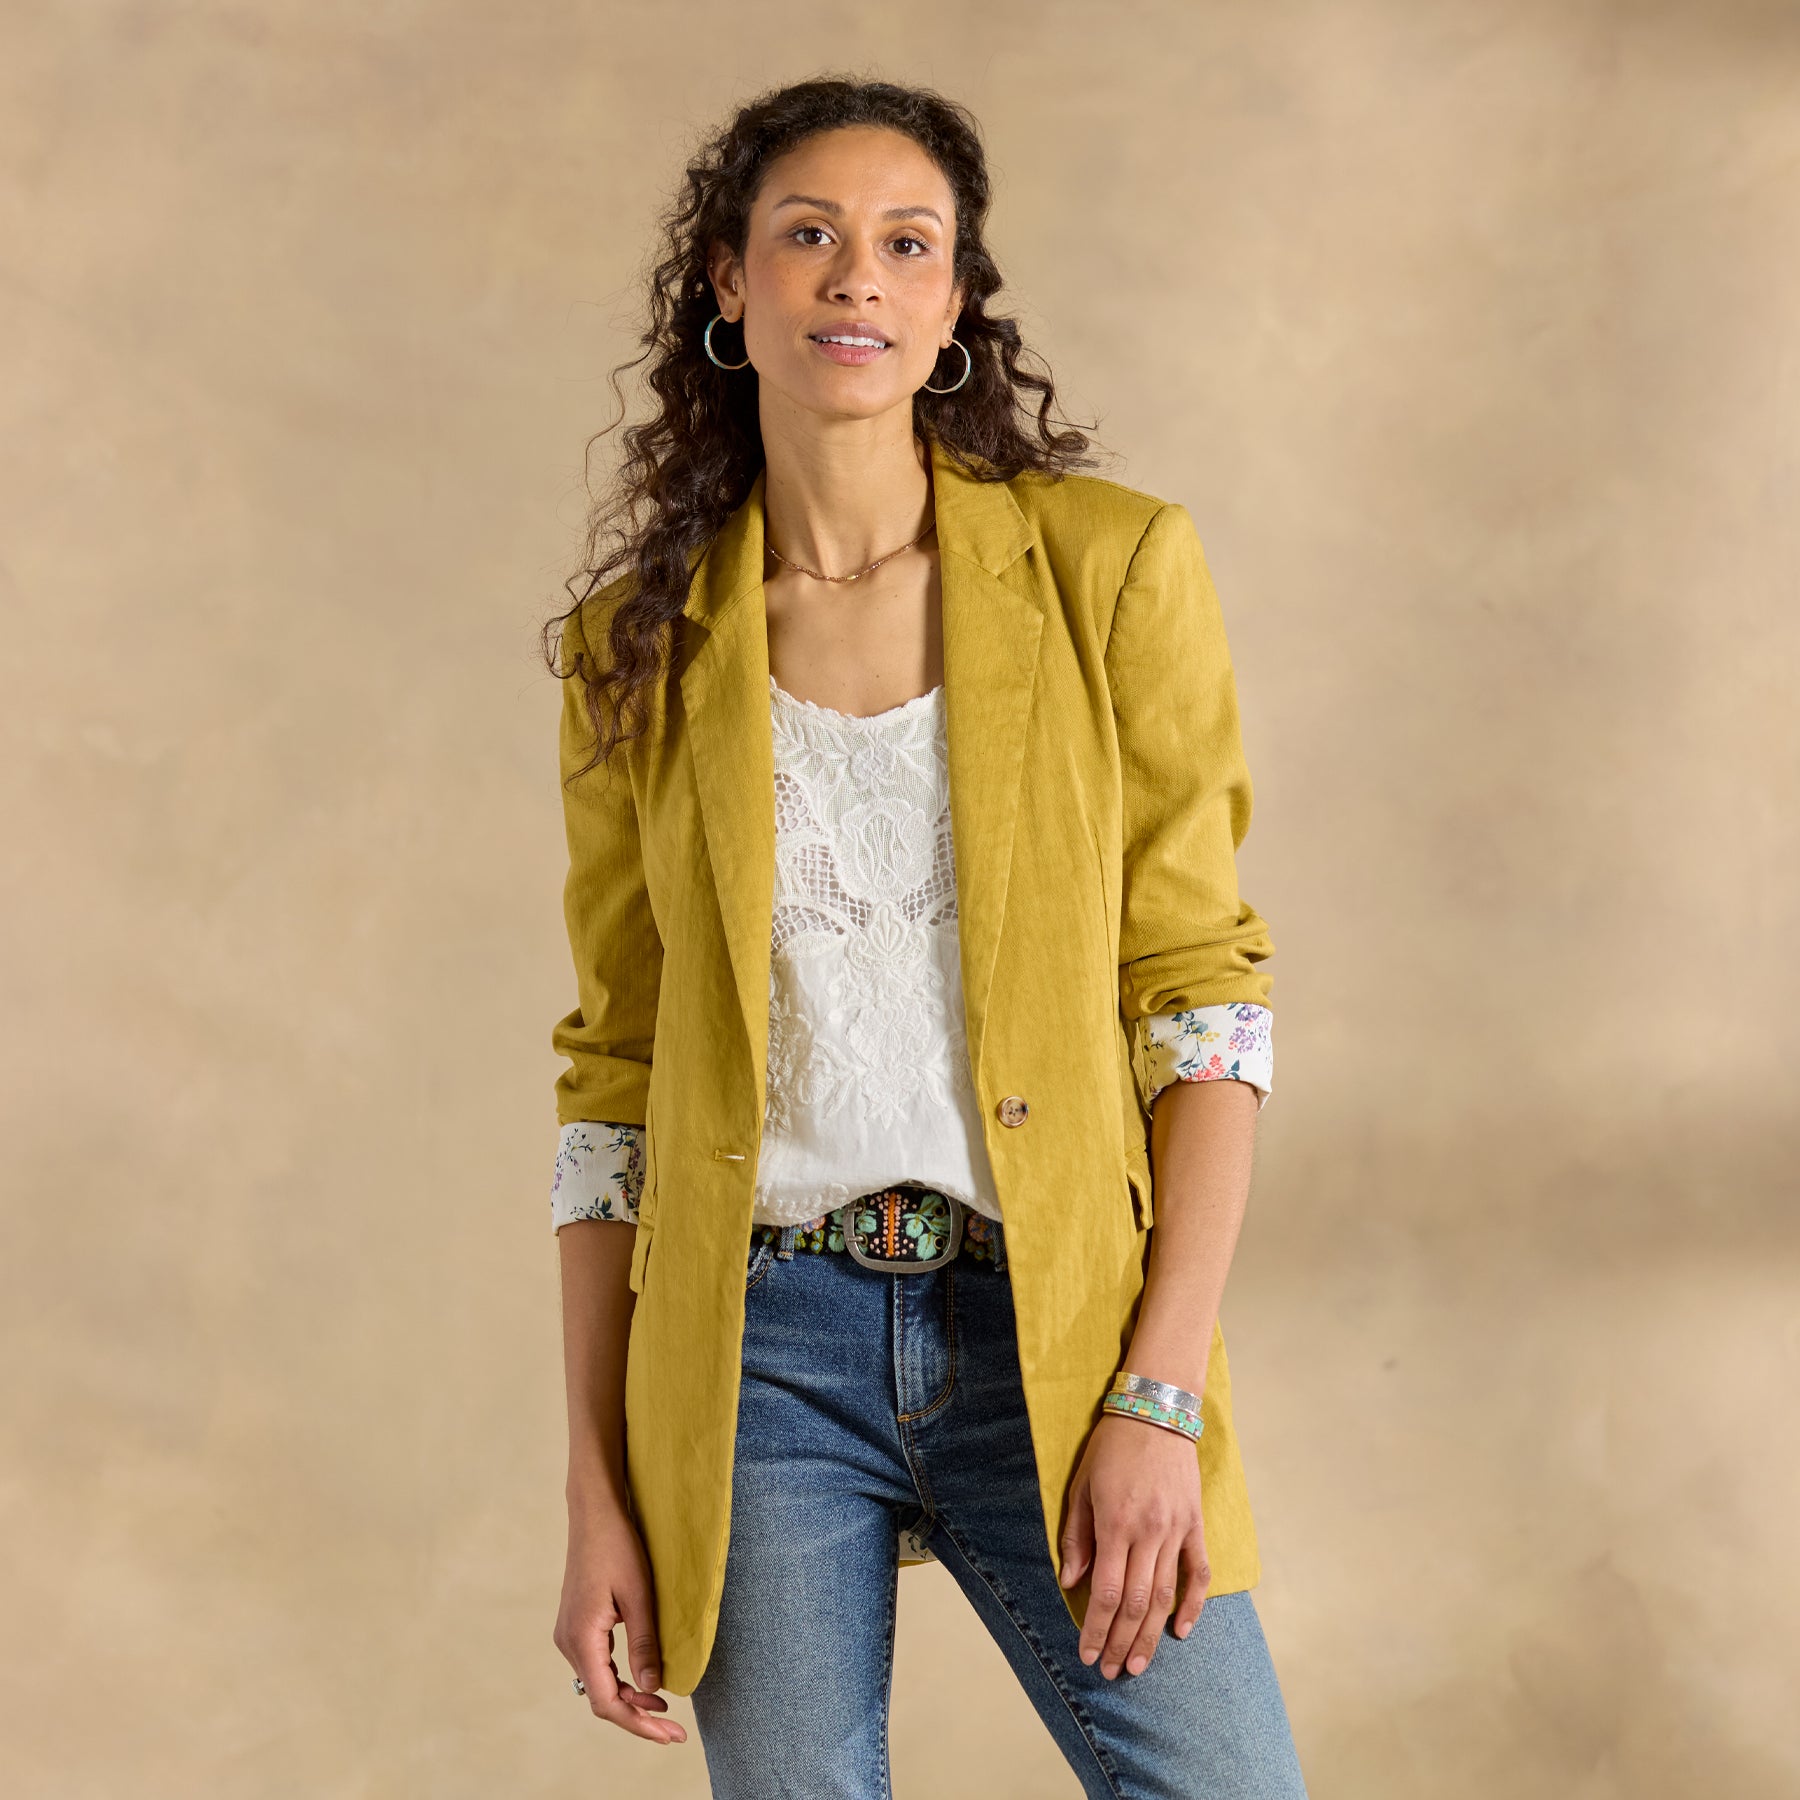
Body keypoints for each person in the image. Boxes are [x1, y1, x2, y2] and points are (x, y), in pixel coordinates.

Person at [542, 75, 1309, 1800]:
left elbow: (1201, 1004)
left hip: (1055, 1325)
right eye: (808, 234)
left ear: (956, 301)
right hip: (757, 1358)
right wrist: (597, 1484)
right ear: (728, 280)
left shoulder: (1111, 570)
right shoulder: (635, 652)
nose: (857, 278)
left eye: (907, 245)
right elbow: (614, 1085)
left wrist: (1159, 1394)